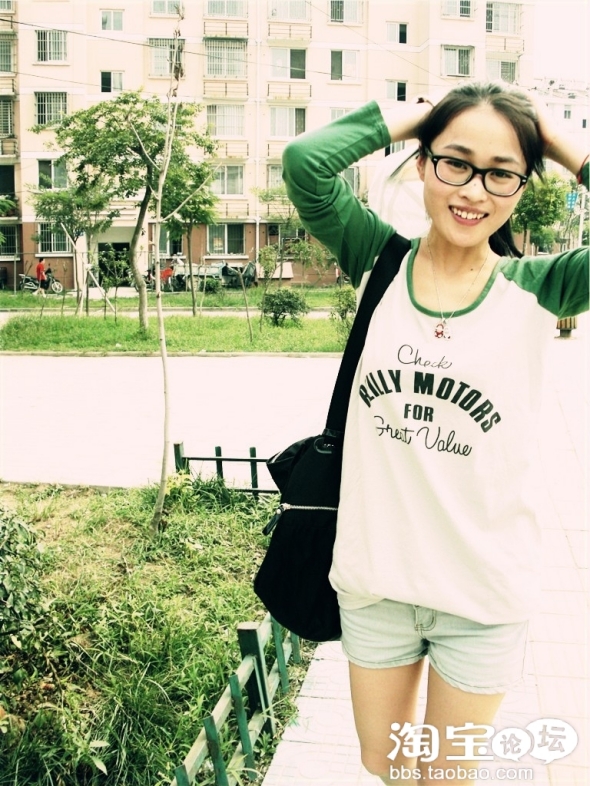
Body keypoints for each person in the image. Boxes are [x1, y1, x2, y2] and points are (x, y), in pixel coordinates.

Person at [281, 82, 588, 785]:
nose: (473, 190)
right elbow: (305, 163)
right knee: (385, 764)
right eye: (455, 162)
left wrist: (549, 133)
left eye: (501, 172)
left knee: (445, 778)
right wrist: (426, 115)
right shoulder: (378, 260)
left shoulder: (541, 287)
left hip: (480, 596)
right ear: (423, 164)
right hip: (376, 584)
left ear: (522, 187)